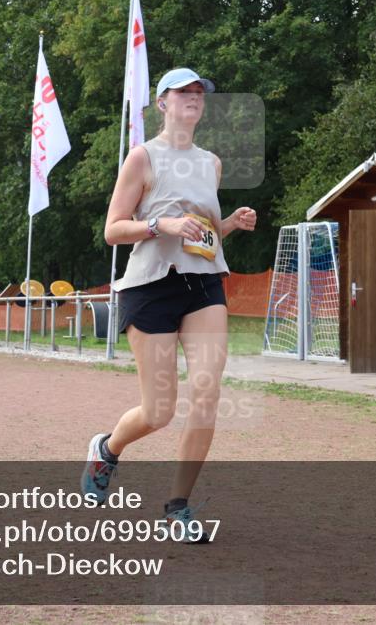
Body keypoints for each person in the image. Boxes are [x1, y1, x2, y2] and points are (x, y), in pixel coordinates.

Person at [81, 68, 257, 542]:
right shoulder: (142, 158)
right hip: (150, 287)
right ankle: (107, 449)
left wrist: (231, 224)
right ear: (162, 103)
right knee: (158, 410)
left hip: (203, 286)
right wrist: (161, 225)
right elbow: (113, 229)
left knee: (207, 394)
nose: (194, 98)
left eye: (200, 93)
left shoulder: (211, 163)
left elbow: (200, 235)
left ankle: (177, 507)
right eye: (185, 92)